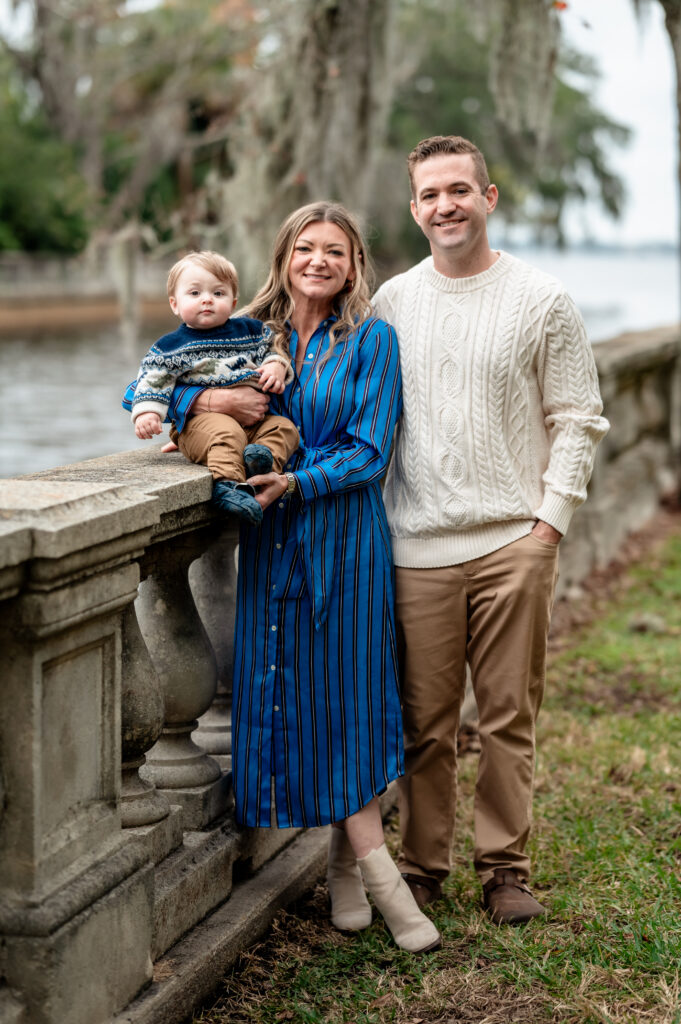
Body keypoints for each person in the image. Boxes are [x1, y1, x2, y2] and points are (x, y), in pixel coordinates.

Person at [152, 203, 441, 954]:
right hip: (269, 542)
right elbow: (155, 390)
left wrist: (299, 483)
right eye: (305, 248)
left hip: (341, 539)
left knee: (350, 702)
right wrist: (214, 401)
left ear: (353, 265)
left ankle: (375, 879)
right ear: (283, 256)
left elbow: (369, 449)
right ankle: (350, 871)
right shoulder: (244, 330)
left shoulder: (371, 341)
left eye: (335, 252)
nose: (319, 261)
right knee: (287, 695)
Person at [372, 135, 610, 925]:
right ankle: (423, 868)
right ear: (414, 210)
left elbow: (576, 417)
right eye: (430, 195)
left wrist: (548, 523)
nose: (445, 206)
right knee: (424, 726)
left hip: (514, 542)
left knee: (508, 717)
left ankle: (505, 870)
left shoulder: (540, 299)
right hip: (416, 548)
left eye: (458, 191)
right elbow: (349, 406)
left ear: (488, 197)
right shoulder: (390, 304)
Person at [129, 250, 299, 524]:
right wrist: (148, 413)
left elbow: (273, 349)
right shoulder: (171, 346)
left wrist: (277, 365)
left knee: (284, 428)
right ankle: (227, 486)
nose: (207, 299)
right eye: (194, 293)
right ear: (175, 304)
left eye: (218, 294)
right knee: (226, 432)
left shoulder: (251, 330)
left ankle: (262, 460)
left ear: (232, 302)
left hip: (255, 422)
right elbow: (152, 381)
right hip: (200, 424)